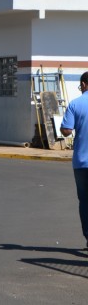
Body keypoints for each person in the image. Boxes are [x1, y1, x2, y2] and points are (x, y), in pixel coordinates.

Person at [60, 71, 88, 251]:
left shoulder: (75, 104)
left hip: (82, 163)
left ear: (84, 84)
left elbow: (66, 130)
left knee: (85, 201)